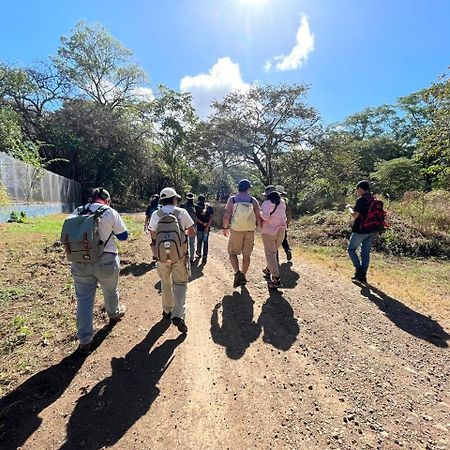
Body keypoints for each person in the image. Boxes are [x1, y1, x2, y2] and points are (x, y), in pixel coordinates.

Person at [70, 188, 128, 352]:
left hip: (81, 261)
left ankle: (85, 340)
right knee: (110, 290)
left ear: (92, 198)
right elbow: (123, 236)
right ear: (106, 200)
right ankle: (114, 314)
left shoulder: (78, 210)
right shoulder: (110, 212)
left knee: (84, 300)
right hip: (106, 260)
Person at [149, 187, 195, 333]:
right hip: (179, 255)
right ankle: (178, 315)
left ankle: (167, 311)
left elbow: (153, 234)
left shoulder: (156, 214)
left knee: (165, 282)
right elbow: (192, 231)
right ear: (175, 199)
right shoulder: (182, 213)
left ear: (162, 200)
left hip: (162, 256)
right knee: (180, 284)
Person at [222, 179, 262, 288]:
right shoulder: (253, 200)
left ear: (238, 187)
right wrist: (260, 228)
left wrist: (225, 227)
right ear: (248, 188)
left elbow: (227, 215)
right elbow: (258, 216)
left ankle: (237, 273)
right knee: (246, 255)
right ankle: (243, 276)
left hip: (236, 230)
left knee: (232, 253)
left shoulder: (233, 199)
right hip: (250, 230)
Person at [346, 180, 377, 283]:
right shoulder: (374, 199)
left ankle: (359, 270)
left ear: (360, 189)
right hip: (372, 230)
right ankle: (362, 276)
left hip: (360, 230)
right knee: (365, 254)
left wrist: (349, 208)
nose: (356, 191)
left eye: (357, 189)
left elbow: (355, 215)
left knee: (351, 249)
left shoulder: (361, 200)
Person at [261, 186, 287, 289]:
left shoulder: (267, 203)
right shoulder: (282, 202)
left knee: (270, 254)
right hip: (281, 231)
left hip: (269, 231)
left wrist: (260, 213)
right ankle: (268, 270)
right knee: (273, 252)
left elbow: (266, 217)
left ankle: (276, 279)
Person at [195, 194, 214, 264]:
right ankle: (205, 256)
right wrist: (207, 227)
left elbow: (195, 218)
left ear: (198, 200)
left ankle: (199, 252)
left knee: (199, 241)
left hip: (199, 228)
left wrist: (202, 223)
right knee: (205, 242)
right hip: (206, 229)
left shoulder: (196, 207)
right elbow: (211, 218)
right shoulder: (209, 207)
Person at [276, 185, 293, 261]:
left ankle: (275, 257)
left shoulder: (274, 200)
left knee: (274, 240)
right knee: (283, 239)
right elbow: (288, 213)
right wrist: (287, 223)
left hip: (274, 223)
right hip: (284, 223)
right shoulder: (286, 200)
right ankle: (287, 250)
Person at [181, 192, 197, 263]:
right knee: (192, 243)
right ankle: (191, 258)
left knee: (184, 242)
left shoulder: (182, 206)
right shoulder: (195, 207)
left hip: (183, 226)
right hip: (193, 226)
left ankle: (185, 256)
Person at [144, 194, 160, 261]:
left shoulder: (149, 207)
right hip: (160, 226)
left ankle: (155, 255)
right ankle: (159, 254)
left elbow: (147, 217)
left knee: (154, 241)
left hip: (152, 226)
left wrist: (145, 225)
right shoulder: (160, 207)